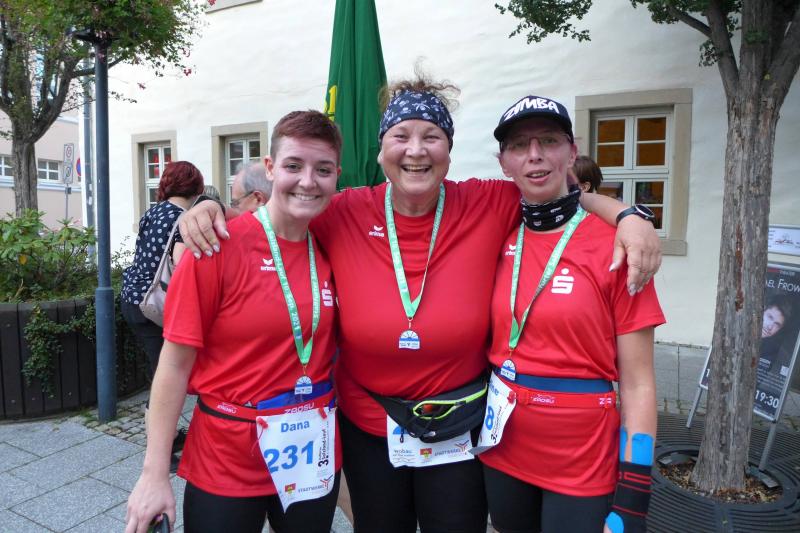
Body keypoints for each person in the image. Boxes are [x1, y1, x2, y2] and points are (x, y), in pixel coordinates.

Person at [177, 76, 662, 532]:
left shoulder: (488, 202)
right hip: (368, 426)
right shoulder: (343, 211)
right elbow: (276, 216)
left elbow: (557, 195)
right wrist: (206, 207)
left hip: (459, 426)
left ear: (449, 150)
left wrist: (629, 215)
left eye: (432, 136)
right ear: (381, 149)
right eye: (401, 136)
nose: (416, 150)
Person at [125, 110, 343, 533]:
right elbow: (174, 364)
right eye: (293, 165)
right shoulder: (215, 247)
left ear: (337, 176)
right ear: (270, 168)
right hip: (227, 455)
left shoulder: (332, 241)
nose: (308, 181)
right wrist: (153, 474)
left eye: (323, 169)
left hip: (309, 450)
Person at [475, 95, 665, 533]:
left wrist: (634, 497)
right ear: (504, 163)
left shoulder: (619, 247)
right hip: (502, 447)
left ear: (571, 152)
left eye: (549, 140)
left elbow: (638, 383)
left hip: (581, 459)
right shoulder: (496, 231)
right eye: (519, 145)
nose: (535, 154)